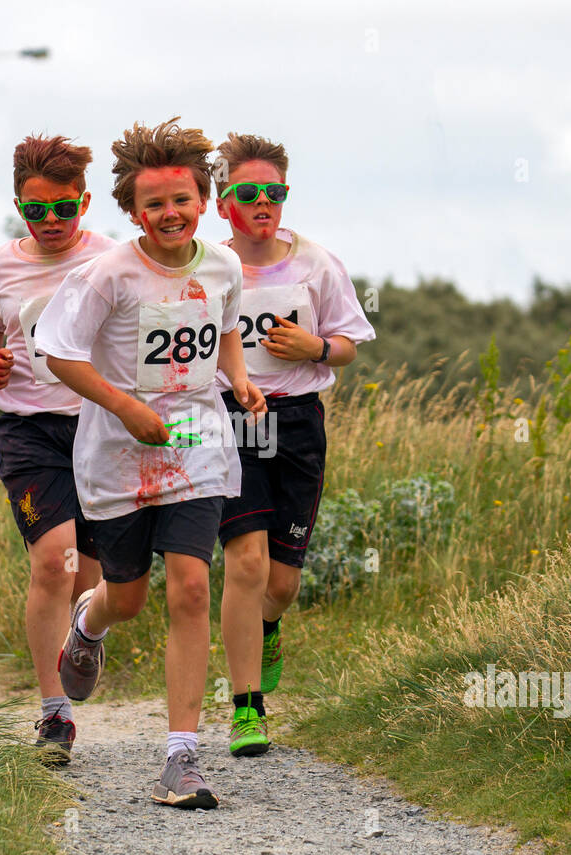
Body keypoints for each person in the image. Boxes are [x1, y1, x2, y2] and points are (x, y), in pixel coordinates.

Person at [36, 117, 266, 808]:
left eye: (182, 200)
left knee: (192, 587)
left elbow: (225, 326)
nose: (170, 213)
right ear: (135, 213)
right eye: (155, 204)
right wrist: (125, 406)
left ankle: (182, 758)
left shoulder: (224, 265)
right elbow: (59, 352)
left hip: (196, 442)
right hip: (118, 454)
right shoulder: (108, 275)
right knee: (128, 597)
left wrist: (239, 376)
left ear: (205, 200)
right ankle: (90, 621)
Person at [211, 132, 376, 756]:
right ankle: (246, 710)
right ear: (224, 200)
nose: (263, 203)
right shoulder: (209, 264)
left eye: (274, 193)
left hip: (300, 422)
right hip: (233, 418)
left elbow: (349, 344)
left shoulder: (317, 263)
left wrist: (317, 349)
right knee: (245, 563)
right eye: (249, 193)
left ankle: (271, 625)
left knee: (279, 583)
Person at [0, 134, 116, 765]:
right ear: (18, 209)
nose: (51, 222)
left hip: (102, 425)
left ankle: (85, 634)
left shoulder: (113, 260)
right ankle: (55, 714)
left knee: (96, 572)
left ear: (84, 202)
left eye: (63, 208)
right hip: (30, 429)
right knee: (53, 563)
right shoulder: (1, 265)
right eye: (36, 211)